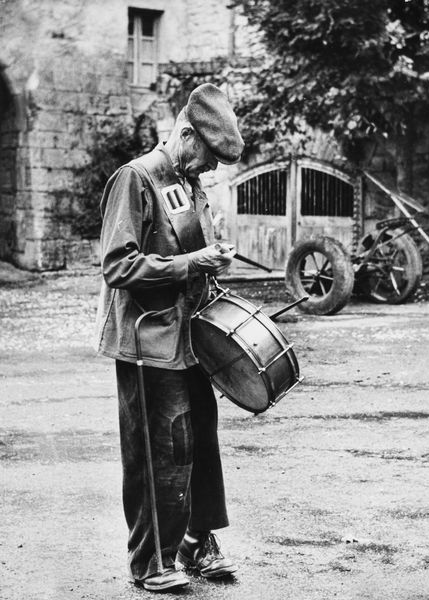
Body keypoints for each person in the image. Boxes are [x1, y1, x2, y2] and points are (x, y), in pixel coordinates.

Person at [95, 83, 245, 592]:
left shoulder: (189, 182)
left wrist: (212, 260)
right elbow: (118, 264)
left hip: (190, 339)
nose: (209, 170)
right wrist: (191, 262)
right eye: (206, 157)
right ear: (185, 134)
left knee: (200, 441)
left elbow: (193, 256)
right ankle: (150, 560)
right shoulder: (135, 179)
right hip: (146, 343)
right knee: (158, 450)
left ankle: (196, 543)